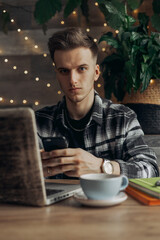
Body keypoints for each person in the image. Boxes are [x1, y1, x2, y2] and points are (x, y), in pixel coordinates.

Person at [35, 27, 159, 179]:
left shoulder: (122, 118)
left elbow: (150, 169)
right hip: (57, 203)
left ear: (96, 73)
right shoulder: (38, 122)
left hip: (109, 202)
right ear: (57, 74)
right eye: (64, 71)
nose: (73, 80)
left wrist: (101, 166)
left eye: (81, 69)